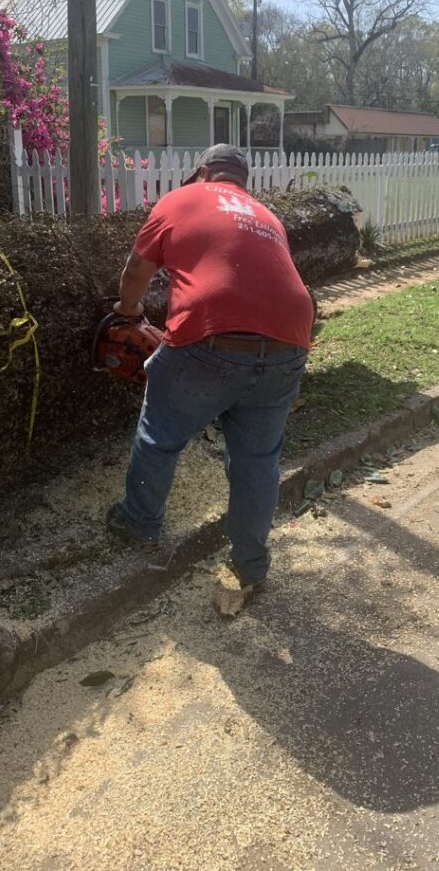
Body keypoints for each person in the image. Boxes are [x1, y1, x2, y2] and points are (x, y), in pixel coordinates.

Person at [107, 144, 314, 590]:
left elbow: (135, 270)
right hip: (289, 343)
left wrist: (128, 309)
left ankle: (139, 523)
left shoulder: (181, 198)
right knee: (257, 462)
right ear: (242, 180)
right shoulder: (266, 215)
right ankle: (252, 565)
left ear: (202, 172)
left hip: (210, 339)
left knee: (159, 436)